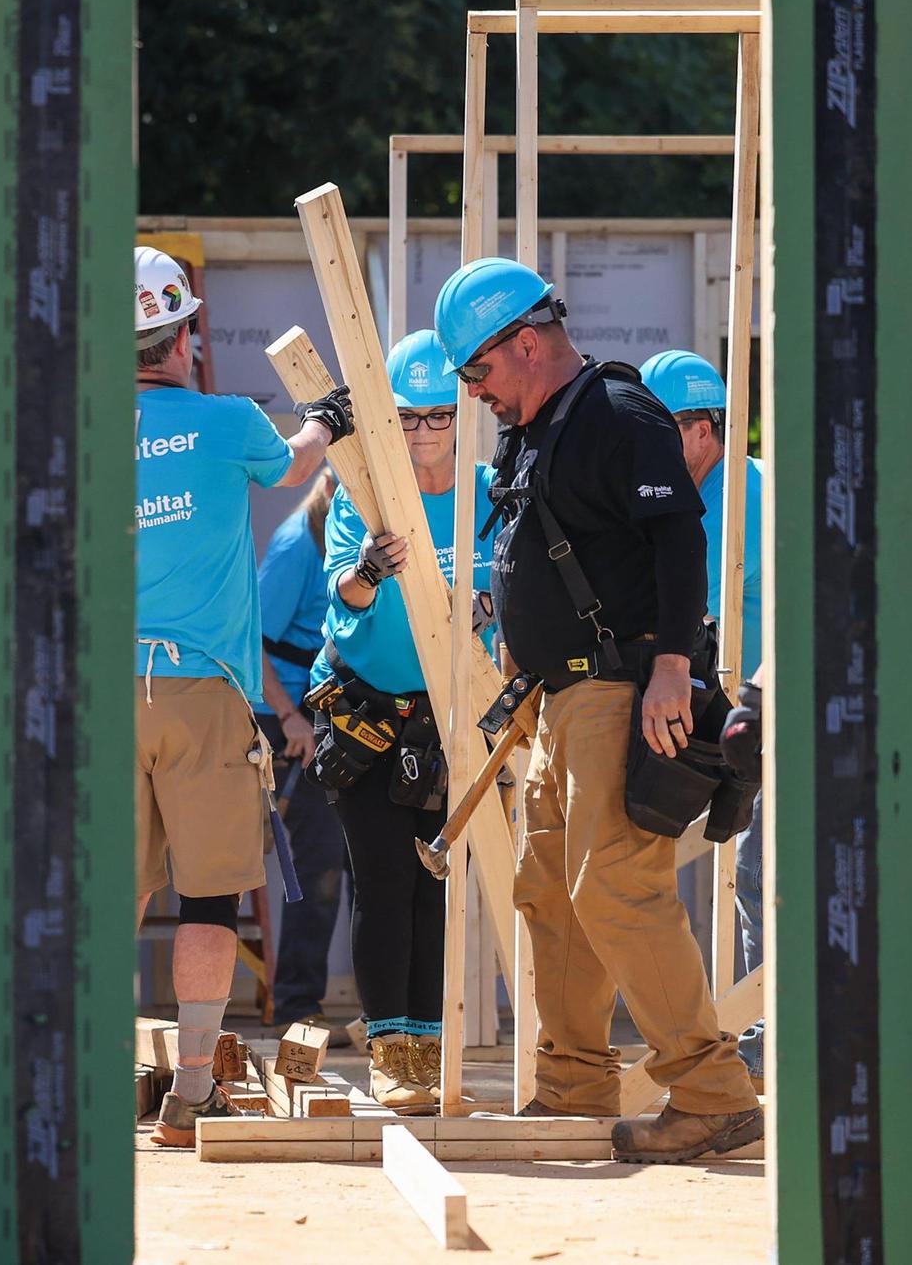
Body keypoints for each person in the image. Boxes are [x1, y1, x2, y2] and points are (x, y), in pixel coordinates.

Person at [434, 258, 761, 1164]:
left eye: (479, 373)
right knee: (549, 894)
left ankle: (711, 1092)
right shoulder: (535, 431)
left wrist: (667, 672)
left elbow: (679, 541)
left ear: (526, 343)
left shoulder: (618, 416)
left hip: (619, 690)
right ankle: (573, 1088)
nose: (476, 394)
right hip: (558, 699)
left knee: (617, 888)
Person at [132, 246, 354, 1147]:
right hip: (206, 694)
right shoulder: (225, 423)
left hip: (100, 687)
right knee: (212, 899)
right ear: (186, 337)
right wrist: (329, 418)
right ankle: (190, 1093)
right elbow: (299, 464)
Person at [306, 329, 497, 1114]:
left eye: (438, 416)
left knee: (435, 885)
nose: (423, 432)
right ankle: (394, 1058)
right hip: (367, 714)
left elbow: (513, 583)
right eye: (407, 417)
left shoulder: (488, 492)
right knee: (384, 882)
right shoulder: (364, 490)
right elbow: (345, 600)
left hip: (450, 716)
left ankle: (431, 1057)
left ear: (462, 413)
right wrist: (371, 571)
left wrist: (494, 609)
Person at [639, 350, 765, 1083]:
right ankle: (754, 1045)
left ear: (703, 428)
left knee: (758, 874)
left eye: (663, 431)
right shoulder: (681, 490)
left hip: (773, 708)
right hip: (727, 713)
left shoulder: (744, 494)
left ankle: (764, 1046)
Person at [253, 465, 352, 1046]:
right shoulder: (298, 542)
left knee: (346, 864)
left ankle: (382, 1012)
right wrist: (291, 718)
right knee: (315, 865)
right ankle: (296, 1008)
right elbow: (254, 640)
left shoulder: (342, 534)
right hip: (293, 717)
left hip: (334, 710)